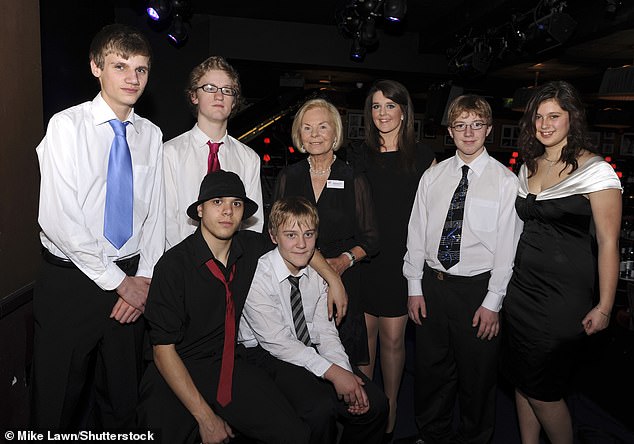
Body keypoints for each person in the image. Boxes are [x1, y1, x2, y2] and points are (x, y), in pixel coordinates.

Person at [138, 172, 347, 443]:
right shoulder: (173, 266)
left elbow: (297, 246)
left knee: (294, 434)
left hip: (230, 364)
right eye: (217, 202)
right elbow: (163, 352)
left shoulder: (248, 247)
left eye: (236, 204)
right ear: (200, 210)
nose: (227, 211)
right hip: (179, 367)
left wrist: (333, 279)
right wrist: (205, 417)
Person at [32, 24, 165, 430]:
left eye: (141, 69)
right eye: (120, 66)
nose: (132, 78)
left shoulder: (151, 134)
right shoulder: (66, 126)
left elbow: (156, 215)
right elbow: (59, 220)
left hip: (131, 283)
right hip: (71, 282)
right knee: (57, 404)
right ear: (96, 67)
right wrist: (117, 282)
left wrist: (142, 280)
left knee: (123, 405)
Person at [501, 81, 622, 444]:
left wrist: (605, 305)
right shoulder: (528, 166)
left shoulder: (596, 170)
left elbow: (609, 242)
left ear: (573, 118)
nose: (545, 124)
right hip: (520, 291)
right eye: (539, 117)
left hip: (562, 299)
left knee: (544, 390)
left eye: (554, 116)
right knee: (522, 381)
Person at [404, 94, 522, 444]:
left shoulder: (505, 181)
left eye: (476, 125)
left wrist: (493, 302)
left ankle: (475, 438)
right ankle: (432, 433)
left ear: (488, 129)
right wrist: (414, 287)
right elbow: (416, 232)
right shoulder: (433, 177)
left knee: (478, 376)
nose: (468, 133)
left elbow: (508, 247)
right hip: (434, 285)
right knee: (430, 371)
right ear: (450, 131)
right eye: (460, 125)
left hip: (478, 291)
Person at [239, 196, 388, 444]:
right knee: (318, 411)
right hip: (266, 353)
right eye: (291, 235)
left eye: (308, 235)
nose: (301, 245)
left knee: (376, 405)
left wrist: (344, 371)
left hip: (308, 345)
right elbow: (278, 342)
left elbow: (325, 330)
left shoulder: (319, 274)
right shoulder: (257, 276)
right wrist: (332, 373)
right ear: (273, 236)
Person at [350, 80, 435, 440]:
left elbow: (432, 217)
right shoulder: (357, 154)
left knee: (394, 341)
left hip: (402, 262)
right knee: (363, 339)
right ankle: (367, 403)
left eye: (389, 106)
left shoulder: (425, 157)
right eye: (375, 106)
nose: (382, 113)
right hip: (366, 258)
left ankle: (392, 404)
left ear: (404, 111)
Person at [273, 98, 379, 366]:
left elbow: (371, 238)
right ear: (299, 135)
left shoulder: (353, 177)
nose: (315, 135)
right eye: (307, 128)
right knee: (300, 359)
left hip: (343, 279)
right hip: (297, 278)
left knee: (342, 359)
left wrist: (344, 261)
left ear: (335, 133)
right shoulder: (288, 176)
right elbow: (273, 231)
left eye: (322, 127)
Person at [164, 55, 263, 249]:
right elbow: (166, 221)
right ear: (194, 96)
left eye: (227, 90)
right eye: (209, 88)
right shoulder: (169, 153)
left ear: (234, 101)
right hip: (183, 264)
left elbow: (253, 223)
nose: (219, 96)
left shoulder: (249, 158)